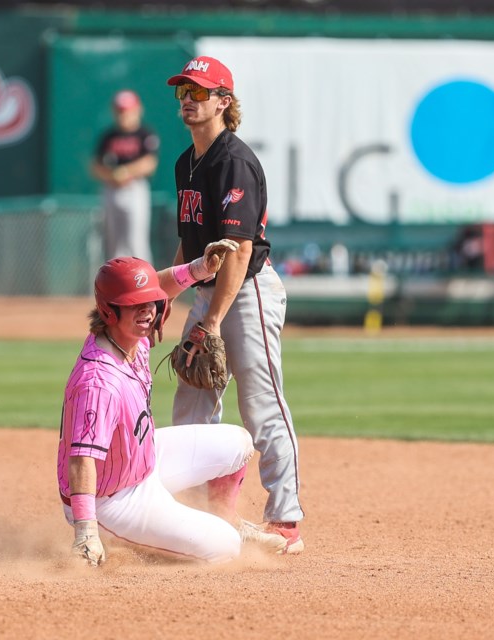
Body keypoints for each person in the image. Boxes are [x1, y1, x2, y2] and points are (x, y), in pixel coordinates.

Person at [57, 246, 287, 566]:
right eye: (135, 305)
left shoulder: (129, 333)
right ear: (110, 311)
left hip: (143, 459)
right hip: (110, 498)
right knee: (226, 547)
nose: (148, 311)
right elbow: (81, 460)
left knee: (237, 443)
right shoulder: (99, 381)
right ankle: (115, 537)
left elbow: (157, 286)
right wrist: (86, 530)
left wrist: (200, 268)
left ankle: (224, 518)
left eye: (150, 302)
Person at [164, 55, 306, 554]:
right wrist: (170, 293)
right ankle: (205, 515)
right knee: (192, 401)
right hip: (210, 291)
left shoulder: (234, 161)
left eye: (200, 92)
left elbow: (238, 251)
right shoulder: (187, 162)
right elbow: (190, 240)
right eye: (184, 92)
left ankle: (285, 520)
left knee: (260, 403)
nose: (188, 100)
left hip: (247, 291)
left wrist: (213, 323)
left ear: (225, 101)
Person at [90, 89, 160, 263]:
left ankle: (143, 283)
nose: (124, 115)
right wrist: (112, 174)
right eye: (120, 110)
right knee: (113, 243)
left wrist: (126, 171)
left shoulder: (145, 133)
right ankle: (116, 283)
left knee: (136, 241)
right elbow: (96, 166)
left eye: (127, 110)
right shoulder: (108, 136)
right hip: (112, 189)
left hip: (135, 188)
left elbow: (150, 163)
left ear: (137, 110)